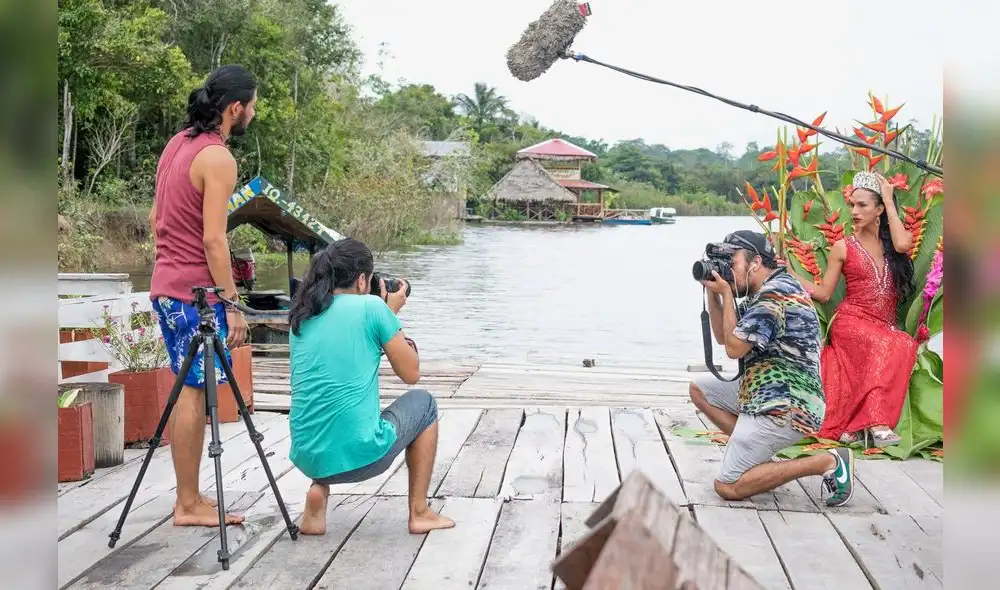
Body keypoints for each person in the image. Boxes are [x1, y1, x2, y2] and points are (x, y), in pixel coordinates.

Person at [147, 65, 257, 526]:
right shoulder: (218, 158)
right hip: (196, 296)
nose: (254, 111)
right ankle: (187, 503)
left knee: (190, 387)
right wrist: (231, 304)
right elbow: (215, 240)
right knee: (193, 393)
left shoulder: (178, 144)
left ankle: (189, 496)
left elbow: (156, 215)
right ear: (235, 108)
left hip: (166, 286)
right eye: (252, 104)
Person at [287, 238, 455, 536]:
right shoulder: (373, 309)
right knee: (425, 403)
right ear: (363, 279)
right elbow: (411, 373)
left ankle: (319, 491)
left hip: (307, 456)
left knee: (328, 405)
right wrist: (389, 314)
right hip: (362, 458)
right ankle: (419, 512)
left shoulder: (302, 314)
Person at [688, 230, 854, 506]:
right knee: (700, 390)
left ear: (755, 262)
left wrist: (727, 295)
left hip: (788, 403)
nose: (728, 270)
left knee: (727, 485)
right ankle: (758, 459)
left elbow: (733, 349)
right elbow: (723, 336)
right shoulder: (764, 289)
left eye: (733, 262)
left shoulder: (774, 297)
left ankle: (827, 462)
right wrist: (713, 294)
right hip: (762, 388)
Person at [792, 171, 918, 447]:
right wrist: (788, 272)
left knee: (902, 342)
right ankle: (877, 423)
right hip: (851, 321)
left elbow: (904, 243)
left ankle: (864, 425)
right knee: (892, 343)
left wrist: (889, 198)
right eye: (852, 205)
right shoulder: (843, 246)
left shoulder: (892, 245)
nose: (854, 211)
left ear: (879, 210)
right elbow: (824, 293)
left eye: (862, 205)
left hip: (883, 324)